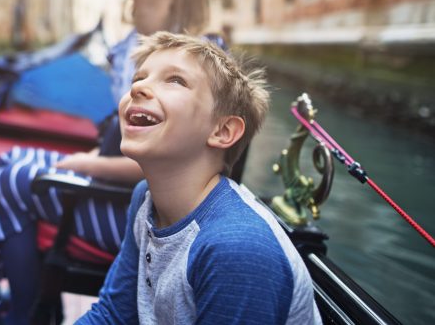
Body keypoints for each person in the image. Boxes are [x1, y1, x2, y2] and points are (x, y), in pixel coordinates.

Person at [0, 0, 213, 324]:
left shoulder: (195, 61)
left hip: (147, 214)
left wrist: (85, 165)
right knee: (11, 162)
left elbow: (167, 166)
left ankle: (17, 314)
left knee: (14, 178)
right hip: (116, 191)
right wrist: (87, 161)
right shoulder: (128, 50)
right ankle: (23, 309)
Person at [77, 32, 322, 324]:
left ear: (222, 132)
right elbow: (114, 315)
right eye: (138, 78)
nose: (139, 87)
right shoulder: (145, 198)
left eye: (175, 80)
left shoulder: (234, 249)